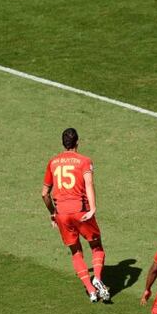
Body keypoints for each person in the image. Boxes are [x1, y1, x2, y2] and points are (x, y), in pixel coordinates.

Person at [42, 128, 110, 302]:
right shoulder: (84, 161)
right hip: (81, 211)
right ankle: (98, 279)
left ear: (63, 143)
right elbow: (89, 184)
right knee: (96, 247)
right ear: (77, 142)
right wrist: (93, 208)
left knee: (76, 252)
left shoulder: (53, 162)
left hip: (62, 214)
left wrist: (53, 214)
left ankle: (91, 291)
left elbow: (44, 194)